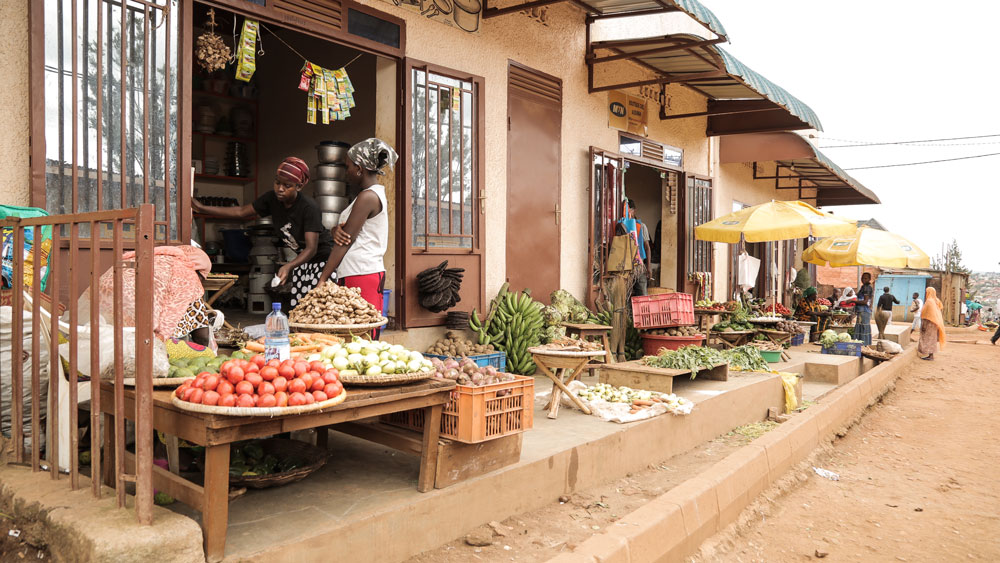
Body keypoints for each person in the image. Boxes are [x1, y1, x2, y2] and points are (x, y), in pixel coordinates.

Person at [192, 157, 334, 308]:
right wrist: (202, 208)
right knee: (302, 307)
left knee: (320, 307)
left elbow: (311, 248)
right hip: (303, 262)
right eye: (277, 182)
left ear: (298, 187)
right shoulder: (272, 199)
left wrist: (288, 266)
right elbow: (241, 211)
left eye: (287, 185)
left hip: (324, 261)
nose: (280, 188)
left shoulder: (308, 208)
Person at [317, 138, 398, 319]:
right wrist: (334, 231)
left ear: (359, 169)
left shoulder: (368, 197)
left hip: (361, 273)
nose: (347, 172)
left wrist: (323, 278)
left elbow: (345, 241)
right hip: (356, 271)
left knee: (362, 332)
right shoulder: (366, 196)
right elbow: (346, 233)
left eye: (348, 167)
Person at [98, 245, 214, 343]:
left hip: (105, 293)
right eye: (202, 277)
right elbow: (202, 335)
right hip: (130, 302)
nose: (201, 282)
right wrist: (205, 353)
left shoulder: (152, 258)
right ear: (198, 270)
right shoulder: (187, 274)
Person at [918, 287, 946, 360]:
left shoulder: (929, 301)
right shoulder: (936, 300)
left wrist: (923, 325)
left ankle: (930, 355)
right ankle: (930, 355)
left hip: (929, 322)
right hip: (935, 322)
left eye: (926, 292)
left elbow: (926, 313)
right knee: (932, 339)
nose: (925, 293)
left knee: (929, 339)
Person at [850, 273, 874, 345]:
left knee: (863, 328)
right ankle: (862, 345)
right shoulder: (864, 287)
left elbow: (865, 302)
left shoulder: (867, 287)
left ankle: (863, 345)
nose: (863, 280)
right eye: (862, 278)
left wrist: (853, 301)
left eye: (865, 278)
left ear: (869, 279)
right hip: (863, 311)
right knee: (861, 328)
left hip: (864, 311)